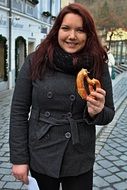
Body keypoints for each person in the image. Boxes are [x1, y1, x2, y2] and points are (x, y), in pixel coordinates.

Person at [9, 3, 115, 190]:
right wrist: (19, 159)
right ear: (57, 30)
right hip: (41, 153)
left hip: (80, 156)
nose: (72, 36)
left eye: (80, 30)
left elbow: (108, 114)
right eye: (66, 28)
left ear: (88, 35)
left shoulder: (97, 64)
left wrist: (95, 112)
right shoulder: (36, 60)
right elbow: (18, 111)